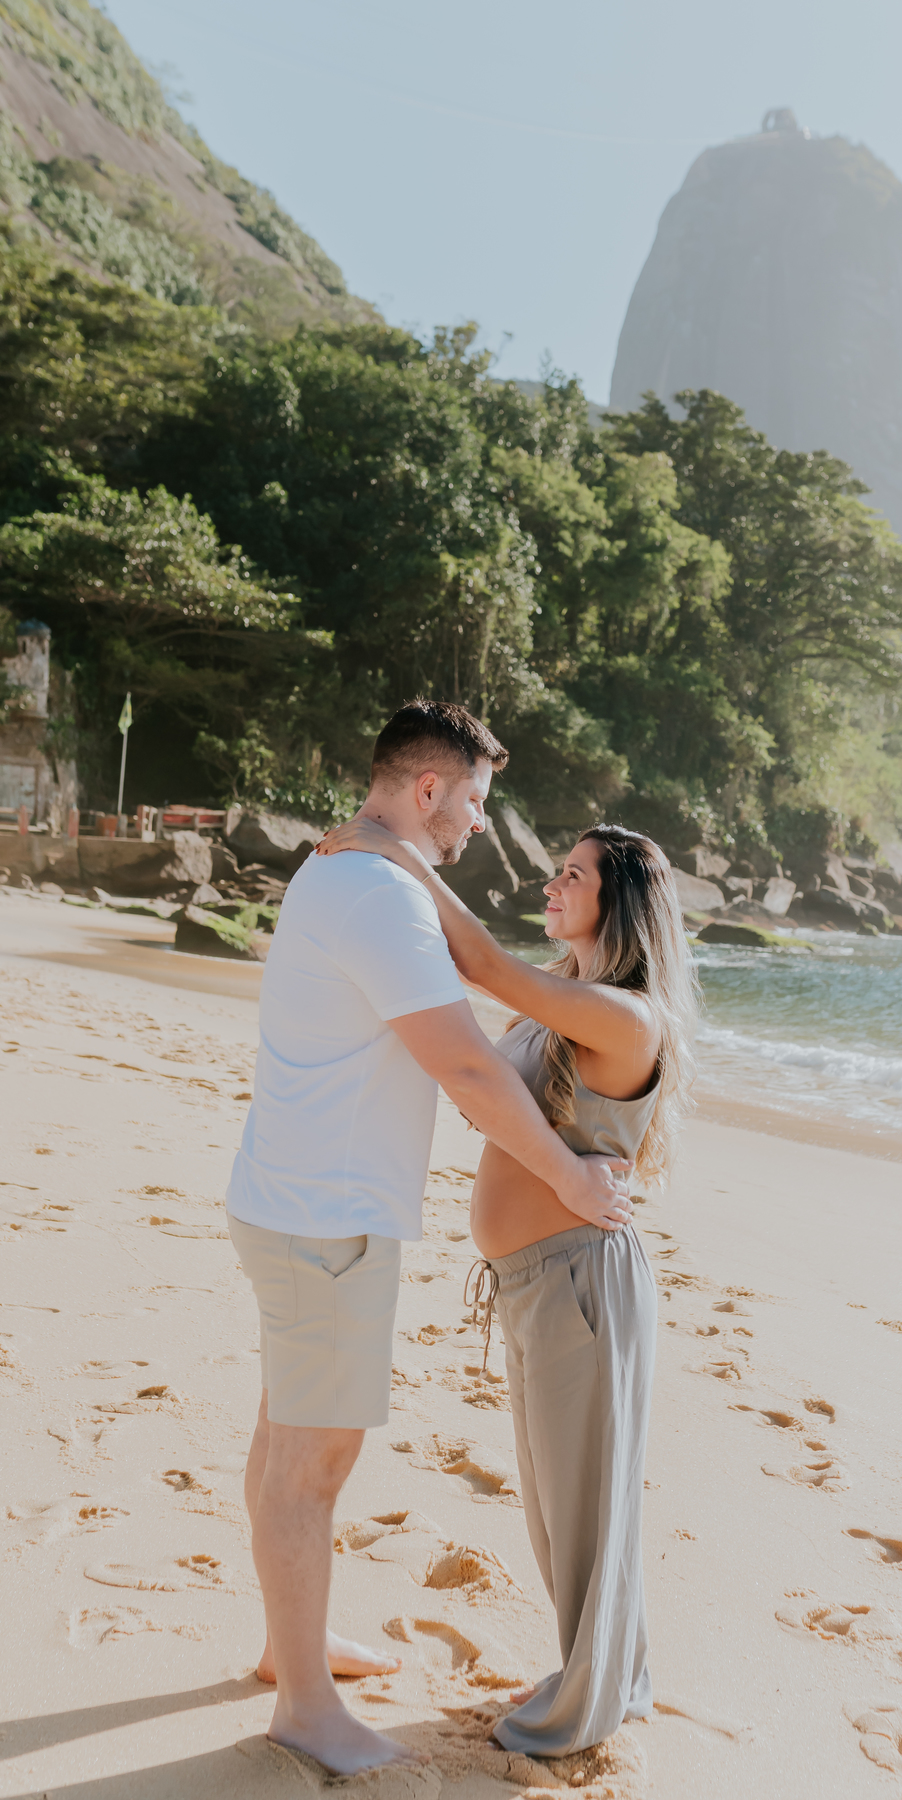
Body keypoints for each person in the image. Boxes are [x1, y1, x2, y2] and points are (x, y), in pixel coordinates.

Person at [225, 702, 633, 1777]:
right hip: (328, 1218)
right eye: (476, 805)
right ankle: (305, 1705)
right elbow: (463, 1067)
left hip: (293, 1196)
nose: (482, 829)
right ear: (429, 791)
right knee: (314, 1462)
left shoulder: (351, 873)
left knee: (285, 1441)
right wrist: (573, 1178)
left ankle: (288, 1647)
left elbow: (477, 984)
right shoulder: (374, 894)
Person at [316, 811, 698, 1757]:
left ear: (622, 904)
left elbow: (478, 961)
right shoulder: (563, 1003)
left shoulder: (624, 1015)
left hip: (580, 1282)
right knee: (558, 1504)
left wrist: (395, 850)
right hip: (536, 1280)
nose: (553, 884)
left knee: (584, 1508)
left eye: (574, 875)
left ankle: (583, 1709)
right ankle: (614, 1673)